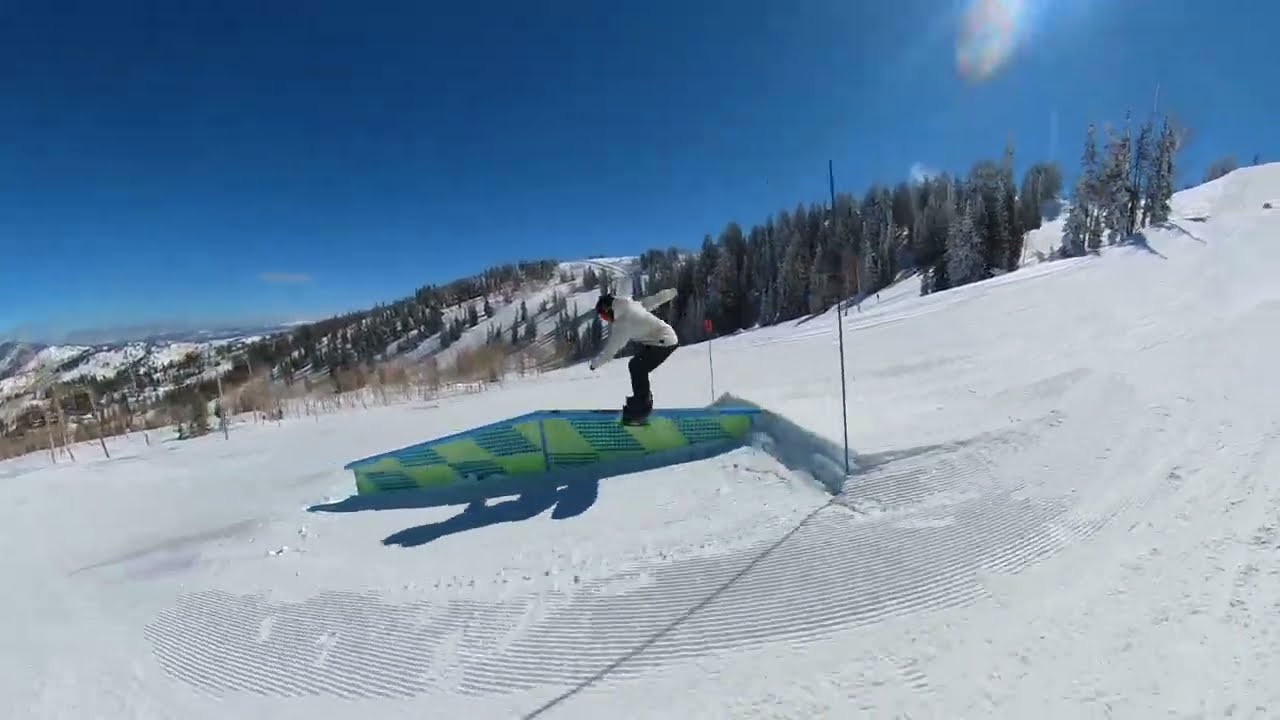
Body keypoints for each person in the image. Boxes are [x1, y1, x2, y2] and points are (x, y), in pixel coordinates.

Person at [590, 288, 679, 422]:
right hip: (662, 339)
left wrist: (595, 364)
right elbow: (654, 300)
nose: (606, 320)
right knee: (637, 365)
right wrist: (671, 293)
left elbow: (611, 351)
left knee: (637, 366)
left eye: (604, 316)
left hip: (664, 341)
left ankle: (642, 406)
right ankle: (641, 400)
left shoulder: (623, 323)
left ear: (609, 309)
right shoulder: (631, 306)